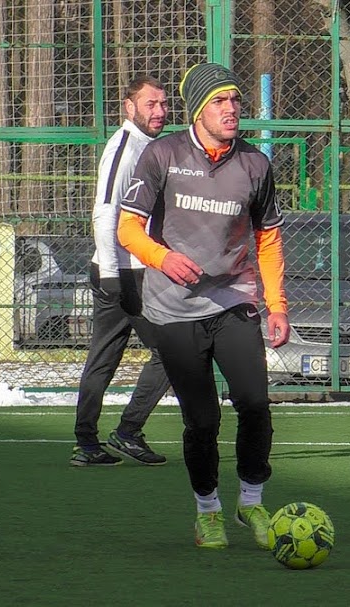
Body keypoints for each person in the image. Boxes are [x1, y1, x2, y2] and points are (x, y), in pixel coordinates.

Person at [117, 62, 289, 549]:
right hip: (173, 309)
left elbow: (269, 238)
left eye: (235, 100)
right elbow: (128, 227)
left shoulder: (255, 165)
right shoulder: (161, 155)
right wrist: (162, 257)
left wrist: (277, 305)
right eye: (219, 101)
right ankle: (207, 509)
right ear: (198, 109)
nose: (231, 109)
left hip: (233, 300)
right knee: (203, 419)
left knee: (255, 403)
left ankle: (251, 502)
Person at [70, 75, 172, 468]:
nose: (159, 111)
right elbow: (105, 211)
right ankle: (123, 433)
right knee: (171, 352)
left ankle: (91, 442)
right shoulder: (125, 148)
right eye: (150, 104)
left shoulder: (150, 146)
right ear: (129, 107)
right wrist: (113, 276)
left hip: (137, 269)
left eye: (163, 104)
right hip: (125, 272)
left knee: (109, 356)